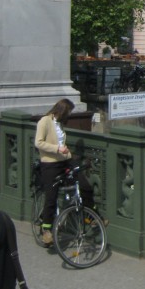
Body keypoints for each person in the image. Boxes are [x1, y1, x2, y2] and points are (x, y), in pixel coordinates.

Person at [34, 98, 98, 245]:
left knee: (84, 185)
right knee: (52, 196)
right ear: (62, 110)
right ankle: (46, 230)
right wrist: (57, 148)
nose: (69, 115)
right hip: (50, 164)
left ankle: (93, 217)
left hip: (65, 160)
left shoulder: (60, 124)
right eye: (69, 112)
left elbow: (61, 142)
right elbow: (38, 142)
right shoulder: (45, 121)